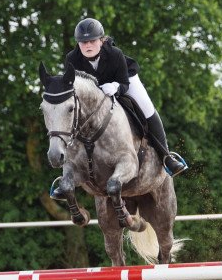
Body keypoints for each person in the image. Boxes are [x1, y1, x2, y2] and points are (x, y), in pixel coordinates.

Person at [63, 17, 188, 177]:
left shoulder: (115, 54)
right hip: (94, 91)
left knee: (146, 107)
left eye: (92, 41)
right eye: (83, 42)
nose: (87, 45)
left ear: (101, 40)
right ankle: (68, 170)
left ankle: (166, 157)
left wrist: (115, 86)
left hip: (123, 79)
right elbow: (71, 86)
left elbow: (124, 82)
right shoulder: (71, 59)